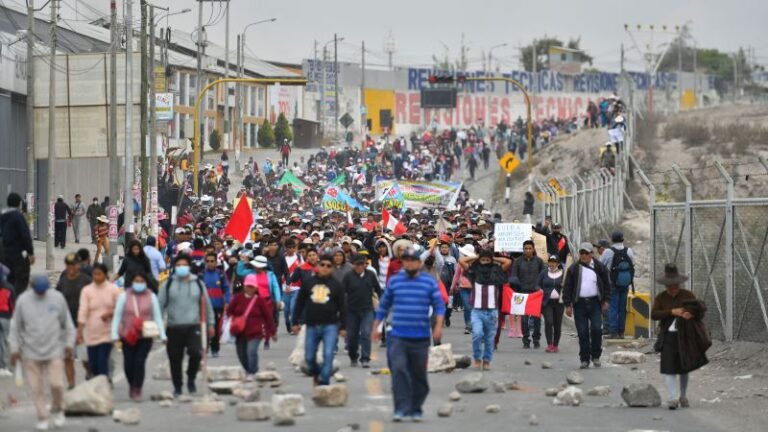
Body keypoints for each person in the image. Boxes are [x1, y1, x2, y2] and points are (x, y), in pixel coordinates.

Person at [373, 246, 445, 422]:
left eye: (413, 260)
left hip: (420, 337)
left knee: (418, 375)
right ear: (403, 262)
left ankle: (416, 407)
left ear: (419, 263)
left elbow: (439, 306)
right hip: (397, 335)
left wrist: (438, 327)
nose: (409, 263)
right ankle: (400, 408)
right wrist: (376, 326)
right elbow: (384, 305)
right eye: (406, 260)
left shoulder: (428, 282)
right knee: (398, 370)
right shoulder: (395, 281)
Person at [9, 274, 75, 431]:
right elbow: (15, 327)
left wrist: (69, 344)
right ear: (31, 286)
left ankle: (59, 410)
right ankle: (42, 416)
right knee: (36, 388)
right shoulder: (23, 301)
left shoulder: (57, 298)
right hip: (31, 351)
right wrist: (14, 349)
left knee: (56, 384)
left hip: (54, 349)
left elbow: (68, 324)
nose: (41, 294)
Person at [651, 264, 710, 410]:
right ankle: (673, 398)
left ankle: (683, 395)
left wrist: (691, 314)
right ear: (666, 285)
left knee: (684, 367)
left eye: (675, 285)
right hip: (668, 337)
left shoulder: (688, 295)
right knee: (669, 368)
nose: (673, 288)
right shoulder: (660, 298)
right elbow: (654, 315)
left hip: (686, 337)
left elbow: (700, 310)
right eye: (670, 285)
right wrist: (672, 312)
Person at [158, 254, 215, 396]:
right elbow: (159, 306)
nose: (181, 268)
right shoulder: (168, 284)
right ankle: (177, 386)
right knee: (174, 358)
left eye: (184, 265)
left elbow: (206, 305)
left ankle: (191, 377)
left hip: (194, 325)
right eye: (178, 265)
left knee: (196, 353)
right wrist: (158, 328)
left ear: (189, 267)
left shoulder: (198, 284)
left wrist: (211, 324)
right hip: (173, 326)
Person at [292, 254, 347, 386]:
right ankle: (316, 373)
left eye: (328, 266)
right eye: (322, 265)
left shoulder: (336, 285)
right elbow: (299, 303)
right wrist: (295, 322)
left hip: (330, 325)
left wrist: (343, 326)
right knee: (309, 357)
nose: (325, 268)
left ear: (332, 268)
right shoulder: (309, 283)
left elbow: (343, 307)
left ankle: (324, 383)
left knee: (328, 355)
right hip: (311, 324)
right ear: (317, 266)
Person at [111, 271, 167, 401]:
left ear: (146, 283)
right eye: (137, 281)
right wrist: (114, 333)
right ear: (132, 282)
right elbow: (117, 316)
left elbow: (158, 317)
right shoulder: (124, 296)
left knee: (139, 362)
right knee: (128, 364)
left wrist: (162, 334)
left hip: (145, 335)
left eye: (142, 281)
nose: (139, 284)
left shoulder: (151, 296)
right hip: (127, 335)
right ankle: (132, 383)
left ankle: (137, 388)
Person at [459, 248, 511, 369]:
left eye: (488, 260)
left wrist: (494, 258)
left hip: (492, 312)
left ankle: (486, 360)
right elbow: (462, 260)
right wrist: (477, 257)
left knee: (489, 339)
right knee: (477, 334)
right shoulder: (474, 272)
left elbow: (508, 262)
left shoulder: (497, 272)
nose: (485, 262)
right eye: (483, 260)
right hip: (477, 311)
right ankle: (477, 358)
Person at [563, 242, 611, 369]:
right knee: (582, 332)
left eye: (586, 253)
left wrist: (606, 300)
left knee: (596, 329)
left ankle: (596, 356)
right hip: (579, 304)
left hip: (595, 303)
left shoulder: (600, 267)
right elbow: (567, 287)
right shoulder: (573, 268)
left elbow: (607, 284)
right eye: (581, 253)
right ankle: (584, 359)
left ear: (591, 254)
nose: (583, 255)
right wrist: (567, 305)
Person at [228, 274, 276, 380]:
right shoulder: (237, 298)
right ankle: (248, 370)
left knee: (251, 351)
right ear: (244, 286)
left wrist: (273, 332)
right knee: (241, 354)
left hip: (255, 332)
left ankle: (252, 372)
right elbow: (229, 311)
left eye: (252, 286)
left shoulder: (259, 300)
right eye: (248, 286)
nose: (249, 288)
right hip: (239, 332)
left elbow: (268, 317)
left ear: (256, 288)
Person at [76, 263, 120, 379]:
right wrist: (80, 331)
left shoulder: (113, 290)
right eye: (94, 274)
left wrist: (111, 313)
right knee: (93, 364)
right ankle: (98, 383)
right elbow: (82, 310)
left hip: (107, 333)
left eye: (99, 274)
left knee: (102, 362)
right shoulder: (87, 290)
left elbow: (120, 309)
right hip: (91, 333)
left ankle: (103, 386)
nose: (96, 277)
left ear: (105, 275)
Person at [56, 252, 92, 388]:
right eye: (68, 265)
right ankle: (71, 383)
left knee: (84, 356)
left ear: (78, 265)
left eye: (74, 265)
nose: (71, 267)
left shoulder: (86, 280)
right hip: (66, 324)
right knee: (68, 356)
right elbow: (57, 297)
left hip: (83, 324)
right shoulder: (63, 279)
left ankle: (89, 371)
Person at [342, 253, 381, 368]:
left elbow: (377, 289)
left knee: (365, 333)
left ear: (365, 265)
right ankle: (353, 356)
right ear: (353, 265)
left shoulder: (371, 275)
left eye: (362, 264)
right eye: (357, 264)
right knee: (352, 335)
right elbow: (342, 293)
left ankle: (365, 358)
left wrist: (381, 303)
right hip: (352, 310)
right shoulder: (348, 276)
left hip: (367, 309)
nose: (360, 267)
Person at [600, 231, 635, 339]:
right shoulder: (629, 250)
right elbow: (633, 264)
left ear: (612, 240)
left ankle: (613, 332)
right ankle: (621, 332)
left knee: (613, 307)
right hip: (625, 283)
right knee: (622, 307)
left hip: (613, 283)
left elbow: (601, 266)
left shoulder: (608, 252)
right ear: (622, 239)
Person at [511, 240, 545, 349]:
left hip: (535, 294)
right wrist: (515, 291)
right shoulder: (518, 262)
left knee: (536, 319)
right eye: (526, 248)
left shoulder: (539, 262)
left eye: (530, 248)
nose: (528, 250)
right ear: (523, 249)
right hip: (522, 294)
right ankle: (526, 340)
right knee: (524, 319)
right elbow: (514, 277)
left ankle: (536, 339)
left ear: (533, 249)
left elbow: (543, 276)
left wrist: (541, 289)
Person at [1, 192, 35, 294]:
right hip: (18, 255)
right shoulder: (18, 216)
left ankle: (8, 300)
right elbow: (25, 236)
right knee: (21, 280)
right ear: (19, 204)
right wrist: (30, 252)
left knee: (7, 279)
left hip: (4, 255)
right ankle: (17, 302)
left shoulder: (2, 216)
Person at [202, 253, 231, 358]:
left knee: (215, 328)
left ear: (216, 262)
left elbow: (227, 289)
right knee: (204, 328)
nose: (210, 263)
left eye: (212, 261)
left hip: (217, 305)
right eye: (208, 261)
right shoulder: (201, 275)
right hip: (203, 307)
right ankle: (204, 348)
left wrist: (228, 301)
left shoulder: (221, 274)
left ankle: (215, 348)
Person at [538, 255, 565, 353]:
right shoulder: (544, 273)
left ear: (558, 263)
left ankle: (555, 345)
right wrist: (540, 289)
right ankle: (549, 344)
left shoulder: (563, 274)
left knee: (557, 324)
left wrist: (564, 285)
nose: (552, 264)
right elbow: (537, 284)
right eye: (550, 262)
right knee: (549, 321)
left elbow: (569, 284)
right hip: (547, 302)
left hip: (559, 303)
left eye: (554, 262)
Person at [0, 264, 15, 376]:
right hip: (6, 317)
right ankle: (4, 366)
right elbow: (12, 305)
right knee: (5, 342)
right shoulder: (9, 287)